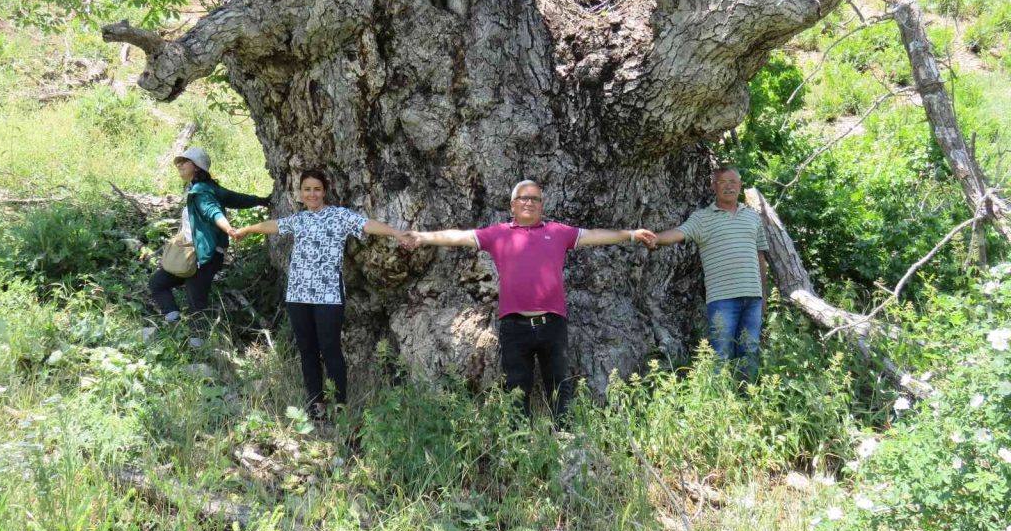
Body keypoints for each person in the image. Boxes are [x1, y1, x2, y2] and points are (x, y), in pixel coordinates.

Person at [403, 180, 656, 426]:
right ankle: (519, 447)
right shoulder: (498, 234)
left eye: (535, 198)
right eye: (524, 198)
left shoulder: (558, 232)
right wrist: (422, 237)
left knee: (560, 385)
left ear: (542, 205)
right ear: (512, 205)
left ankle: (565, 441)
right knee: (516, 388)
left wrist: (631, 234)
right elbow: (459, 237)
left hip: (552, 323)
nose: (530, 202)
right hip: (514, 325)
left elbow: (593, 236)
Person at [231, 169, 405, 417]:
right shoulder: (299, 219)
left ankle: (339, 402)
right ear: (301, 193)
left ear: (324, 191)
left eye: (316, 189)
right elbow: (274, 226)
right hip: (298, 295)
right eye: (307, 189)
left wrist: (396, 233)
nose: (312, 194)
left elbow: (367, 225)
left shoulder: (338, 216)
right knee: (307, 349)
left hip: (329, 295)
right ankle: (315, 402)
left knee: (330, 348)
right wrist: (247, 229)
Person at [651, 166, 769, 379]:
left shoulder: (752, 218)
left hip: (753, 298)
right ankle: (717, 401)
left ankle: (747, 400)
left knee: (749, 353)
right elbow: (678, 233)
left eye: (733, 182)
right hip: (722, 299)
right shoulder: (702, 218)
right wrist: (656, 238)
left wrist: (764, 296)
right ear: (714, 186)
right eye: (723, 182)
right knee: (719, 354)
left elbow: (761, 258)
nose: (729, 186)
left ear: (740, 186)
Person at [150, 146, 271, 325]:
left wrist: (228, 229)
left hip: (204, 257)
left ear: (197, 167)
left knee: (195, 303)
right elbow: (235, 198)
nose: (180, 165)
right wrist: (260, 201)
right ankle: (174, 323)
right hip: (194, 254)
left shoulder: (201, 192)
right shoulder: (206, 187)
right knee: (158, 283)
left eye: (185, 162)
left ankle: (198, 345)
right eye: (179, 162)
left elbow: (212, 212)